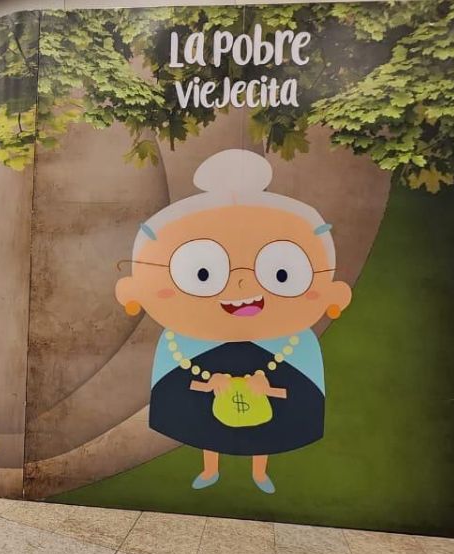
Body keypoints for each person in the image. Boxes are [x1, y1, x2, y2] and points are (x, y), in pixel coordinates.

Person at [115, 149, 351, 494]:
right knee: (206, 426)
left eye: (281, 273)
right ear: (134, 291)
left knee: (267, 430)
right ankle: (210, 467)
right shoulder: (179, 344)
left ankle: (260, 472)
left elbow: (302, 395)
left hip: (272, 369)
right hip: (208, 370)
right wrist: (211, 384)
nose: (242, 285)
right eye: (202, 273)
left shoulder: (297, 346)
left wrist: (266, 388)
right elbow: (175, 389)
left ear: (333, 294)